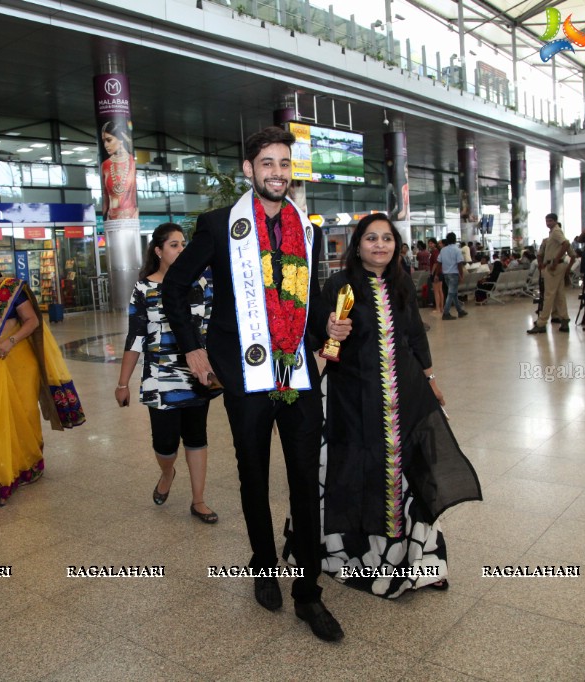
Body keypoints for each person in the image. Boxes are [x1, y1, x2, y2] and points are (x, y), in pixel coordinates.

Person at [161, 126, 351, 642]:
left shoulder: (306, 231)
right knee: (253, 475)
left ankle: (308, 593)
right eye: (267, 163)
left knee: (303, 478)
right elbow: (174, 289)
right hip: (245, 375)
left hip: (298, 372)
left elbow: (307, 301)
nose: (277, 173)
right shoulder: (221, 225)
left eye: (284, 164)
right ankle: (264, 565)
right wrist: (195, 349)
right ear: (248, 170)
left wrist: (324, 331)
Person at [312, 213, 480, 598]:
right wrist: (330, 337)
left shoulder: (400, 282)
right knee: (359, 470)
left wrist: (432, 380)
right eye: (371, 238)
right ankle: (363, 558)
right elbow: (325, 339)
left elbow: (414, 335)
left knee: (410, 473)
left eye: (387, 239)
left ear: (396, 246)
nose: (379, 245)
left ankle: (419, 560)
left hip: (403, 393)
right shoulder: (342, 285)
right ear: (358, 245)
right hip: (355, 398)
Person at [0, 244, 85, 505]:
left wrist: (10, 341)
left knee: (22, 414)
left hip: (17, 363)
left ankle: (27, 465)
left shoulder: (9, 289)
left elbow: (32, 321)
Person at [116, 223, 220, 524]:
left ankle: (198, 500)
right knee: (165, 445)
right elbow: (135, 337)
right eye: (174, 245)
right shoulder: (144, 288)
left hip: (197, 373)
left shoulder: (203, 282)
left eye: (183, 243)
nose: (181, 249)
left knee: (197, 437)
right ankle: (167, 472)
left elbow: (215, 324)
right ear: (158, 251)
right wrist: (123, 382)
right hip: (160, 378)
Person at [528, 213, 573, 334]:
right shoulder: (553, 233)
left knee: (548, 295)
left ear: (556, 221)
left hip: (553, 267)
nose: (548, 223)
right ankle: (564, 319)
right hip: (556, 266)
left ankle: (541, 323)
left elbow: (566, 244)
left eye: (551, 221)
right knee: (559, 295)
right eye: (547, 221)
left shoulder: (556, 232)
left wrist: (556, 260)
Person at [100, 120, 138, 220]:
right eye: (103, 141)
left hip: (131, 219)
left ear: (121, 139)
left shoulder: (132, 162)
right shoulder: (105, 165)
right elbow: (105, 199)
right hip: (112, 220)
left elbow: (134, 195)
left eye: (109, 140)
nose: (105, 145)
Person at [436, 232, 467, 320]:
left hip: (445, 274)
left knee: (453, 293)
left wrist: (437, 274)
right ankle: (446, 313)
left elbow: (439, 263)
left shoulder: (443, 250)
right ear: (455, 239)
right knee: (451, 293)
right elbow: (459, 264)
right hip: (454, 274)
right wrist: (461, 275)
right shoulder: (457, 250)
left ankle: (460, 311)